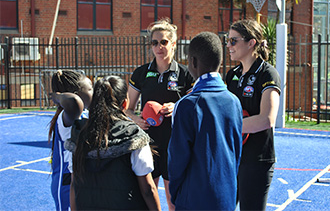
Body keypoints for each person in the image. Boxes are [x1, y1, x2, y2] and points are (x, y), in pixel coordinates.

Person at [168, 32, 243, 210]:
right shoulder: (234, 101)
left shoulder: (186, 105)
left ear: (193, 62)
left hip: (194, 199)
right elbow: (237, 153)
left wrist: (176, 193)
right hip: (227, 196)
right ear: (221, 62)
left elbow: (177, 159)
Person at [125, 18, 194, 210]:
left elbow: (194, 109)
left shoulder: (185, 74)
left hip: (175, 143)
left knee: (173, 200)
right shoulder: (141, 73)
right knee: (147, 196)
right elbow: (127, 108)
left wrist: (177, 107)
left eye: (163, 42)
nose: (159, 47)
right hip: (148, 143)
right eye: (155, 43)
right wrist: (136, 119)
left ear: (173, 44)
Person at [69, 75, 160, 210]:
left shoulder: (79, 134)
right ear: (125, 103)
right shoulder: (134, 136)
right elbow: (148, 189)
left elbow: (74, 185)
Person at [224, 19, 283, 210]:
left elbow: (267, 119)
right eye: (227, 40)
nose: (228, 45)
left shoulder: (267, 74)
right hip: (232, 156)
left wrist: (229, 126)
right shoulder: (231, 75)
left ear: (251, 43)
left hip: (257, 159)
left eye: (234, 41)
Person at [47, 70, 93, 211]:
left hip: (81, 179)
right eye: (90, 88)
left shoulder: (85, 113)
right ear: (77, 94)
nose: (93, 91)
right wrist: (58, 96)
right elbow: (73, 102)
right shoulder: (65, 117)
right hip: (66, 183)